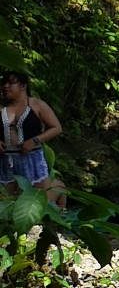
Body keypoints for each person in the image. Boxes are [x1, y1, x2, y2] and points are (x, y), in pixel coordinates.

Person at [2, 71, 64, 199]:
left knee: (38, 203)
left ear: (23, 86)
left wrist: (35, 140)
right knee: (8, 204)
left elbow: (56, 128)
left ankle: (59, 188)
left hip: (32, 160)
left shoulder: (36, 105)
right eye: (4, 83)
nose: (5, 86)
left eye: (11, 83)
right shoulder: (2, 107)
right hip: (5, 162)